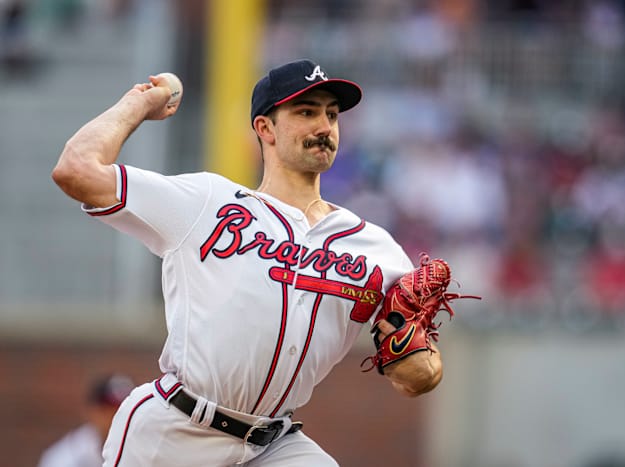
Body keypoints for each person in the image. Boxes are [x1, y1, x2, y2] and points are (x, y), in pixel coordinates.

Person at [52, 59, 447, 466]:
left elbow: (416, 378)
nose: (324, 127)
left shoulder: (375, 249)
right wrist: (138, 104)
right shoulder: (208, 202)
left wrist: (415, 356)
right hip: (176, 430)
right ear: (265, 128)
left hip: (272, 445)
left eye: (331, 114)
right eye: (306, 112)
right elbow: (76, 170)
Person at [37, 373, 135, 467]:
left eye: (124, 410)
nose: (117, 417)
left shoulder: (143, 447)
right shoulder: (64, 458)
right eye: (109, 410)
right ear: (93, 411)